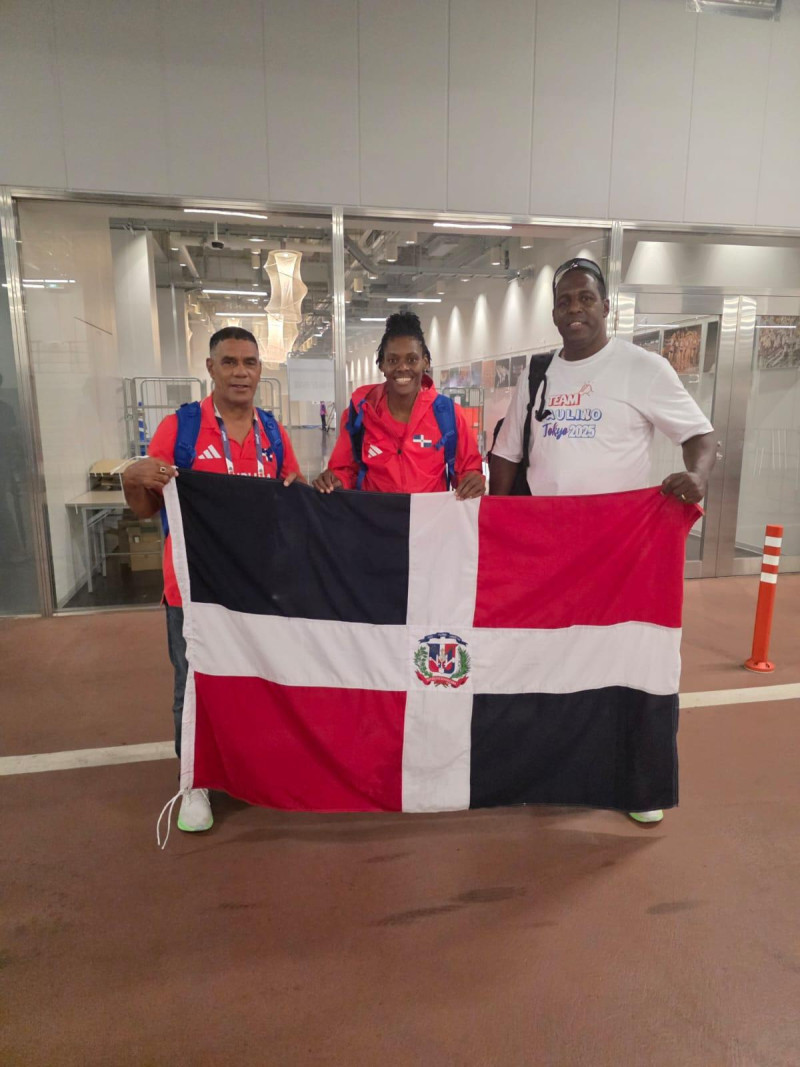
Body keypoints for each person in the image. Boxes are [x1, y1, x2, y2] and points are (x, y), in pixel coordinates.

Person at [490, 257, 716, 826]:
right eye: (565, 301)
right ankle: (550, 772)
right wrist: (495, 526)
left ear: (606, 305)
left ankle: (638, 784)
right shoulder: (536, 374)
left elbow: (700, 438)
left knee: (628, 668)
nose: (574, 311)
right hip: (547, 553)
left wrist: (699, 478)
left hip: (620, 555)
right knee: (546, 665)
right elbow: (507, 456)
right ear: (553, 311)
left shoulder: (643, 368)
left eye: (585, 299)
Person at [122, 327, 304, 833]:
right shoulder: (180, 428)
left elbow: (294, 496)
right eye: (229, 362)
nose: (240, 372)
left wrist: (300, 486)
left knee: (255, 679)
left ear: (260, 371)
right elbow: (143, 506)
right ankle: (193, 782)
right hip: (193, 588)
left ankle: (248, 767)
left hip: (254, 589)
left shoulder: (272, 433)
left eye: (249, 362)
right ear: (210, 368)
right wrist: (133, 478)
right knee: (193, 684)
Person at [313, 311, 485, 498]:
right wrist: (335, 479)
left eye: (412, 359)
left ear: (425, 362)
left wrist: (473, 480)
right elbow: (345, 470)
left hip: (428, 523)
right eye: (393, 360)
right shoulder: (360, 414)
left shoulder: (448, 415)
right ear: (382, 366)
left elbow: (468, 471)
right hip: (374, 522)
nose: (402, 367)